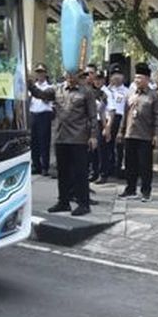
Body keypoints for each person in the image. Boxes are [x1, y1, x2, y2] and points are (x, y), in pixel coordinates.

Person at [32, 70, 97, 216]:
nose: (70, 77)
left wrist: (93, 136)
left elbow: (93, 115)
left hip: (79, 138)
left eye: (73, 74)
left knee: (80, 173)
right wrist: (29, 84)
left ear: (78, 76)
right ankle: (63, 202)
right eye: (68, 74)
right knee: (62, 172)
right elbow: (40, 95)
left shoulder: (86, 92)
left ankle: (83, 203)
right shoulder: (57, 89)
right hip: (61, 136)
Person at [120, 64, 158, 202]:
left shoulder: (153, 95)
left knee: (145, 165)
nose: (137, 80)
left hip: (145, 135)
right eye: (135, 77)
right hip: (130, 133)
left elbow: (157, 116)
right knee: (130, 164)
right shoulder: (130, 94)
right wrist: (121, 131)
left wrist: (156, 134)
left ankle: (146, 191)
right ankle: (130, 189)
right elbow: (125, 113)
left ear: (147, 79)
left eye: (140, 78)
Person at [101, 68, 129, 182]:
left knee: (119, 147)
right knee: (105, 147)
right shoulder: (105, 90)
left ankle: (118, 169)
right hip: (106, 120)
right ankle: (106, 170)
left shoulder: (127, 91)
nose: (116, 77)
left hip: (120, 119)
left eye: (119, 74)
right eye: (114, 74)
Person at [27, 64, 54, 176]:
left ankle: (44, 166)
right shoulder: (33, 87)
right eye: (38, 72)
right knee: (34, 142)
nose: (40, 74)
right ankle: (36, 164)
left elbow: (46, 99)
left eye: (42, 72)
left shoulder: (49, 87)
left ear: (45, 73)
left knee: (44, 141)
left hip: (44, 115)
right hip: (34, 114)